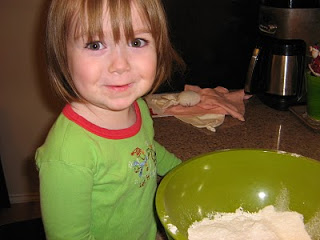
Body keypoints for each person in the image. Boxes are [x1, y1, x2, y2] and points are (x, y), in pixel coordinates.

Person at [35, 0, 185, 239]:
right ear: (62, 55)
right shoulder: (68, 155)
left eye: (137, 42)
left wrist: (183, 171)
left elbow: (145, 148)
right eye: (95, 45)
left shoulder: (137, 108)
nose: (120, 66)